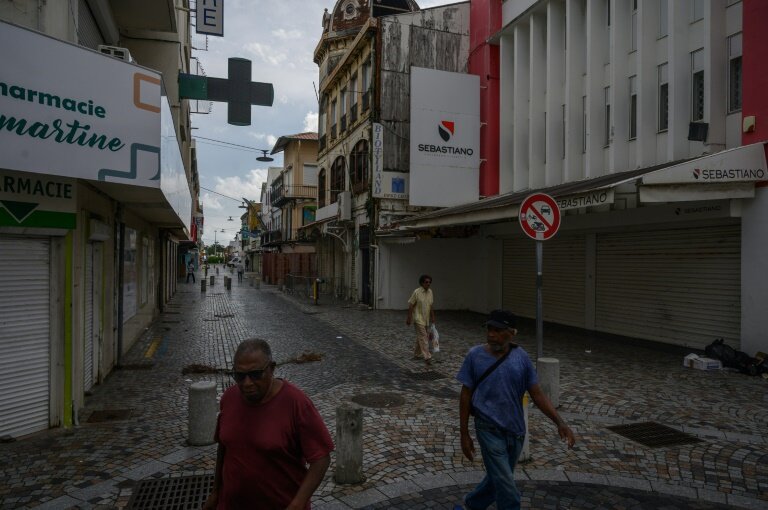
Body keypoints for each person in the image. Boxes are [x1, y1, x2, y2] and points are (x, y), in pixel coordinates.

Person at [456, 310, 575, 510]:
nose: (491, 334)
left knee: (498, 479)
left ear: (511, 333)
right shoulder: (474, 356)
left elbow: (537, 394)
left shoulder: (522, 358)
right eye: (489, 329)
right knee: (507, 487)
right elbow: (465, 395)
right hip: (488, 429)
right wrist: (464, 433)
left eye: (498, 330)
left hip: (516, 432)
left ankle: (471, 505)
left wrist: (560, 422)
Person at [203, 339, 333, 510]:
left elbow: (321, 458)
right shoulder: (229, 397)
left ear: (271, 368)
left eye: (256, 374)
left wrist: (298, 502)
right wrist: (215, 492)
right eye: (240, 376)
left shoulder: (296, 403)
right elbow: (224, 447)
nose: (247, 383)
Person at [406, 274, 436, 364]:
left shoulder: (430, 292)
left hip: (425, 319)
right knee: (424, 337)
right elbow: (411, 304)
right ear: (422, 283)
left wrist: (433, 317)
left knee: (421, 337)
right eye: (426, 282)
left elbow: (430, 305)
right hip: (418, 318)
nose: (428, 284)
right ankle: (427, 357)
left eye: (430, 282)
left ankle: (416, 354)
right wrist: (409, 317)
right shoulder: (417, 292)